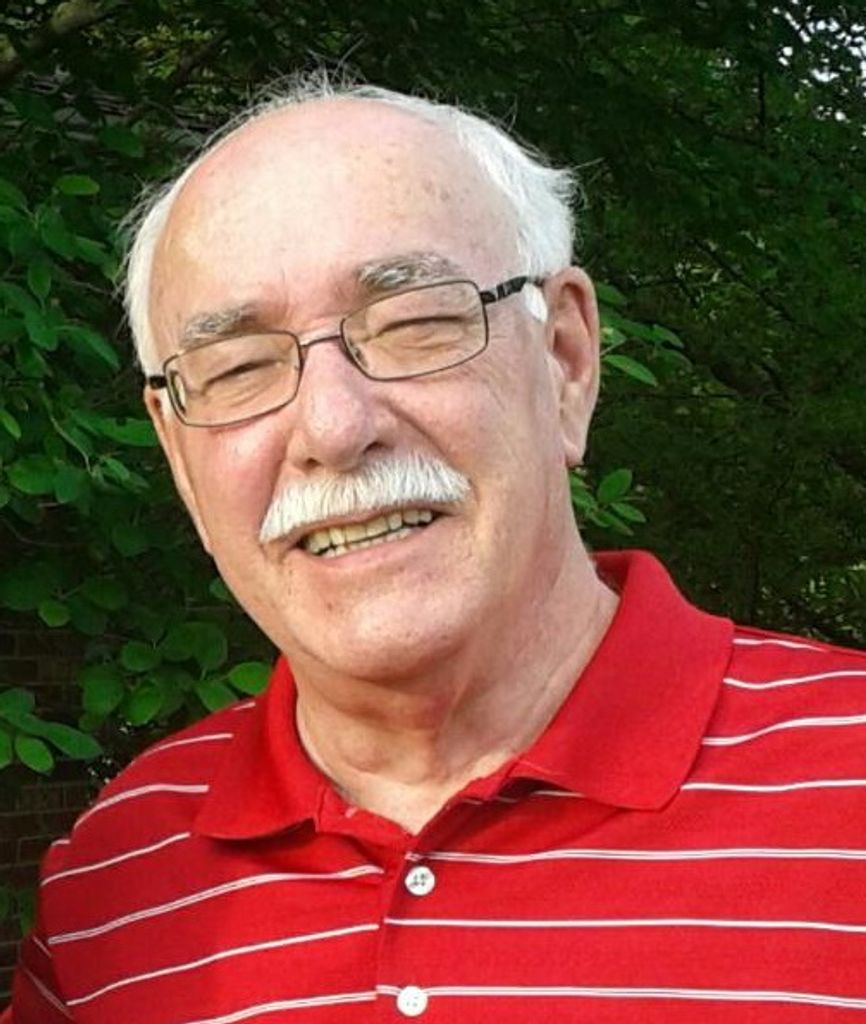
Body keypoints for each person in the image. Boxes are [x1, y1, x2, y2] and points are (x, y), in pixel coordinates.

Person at [7, 76, 866, 1023]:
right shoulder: (112, 893)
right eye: (239, 367)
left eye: (413, 323)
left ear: (566, 359)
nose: (334, 428)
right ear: (177, 453)